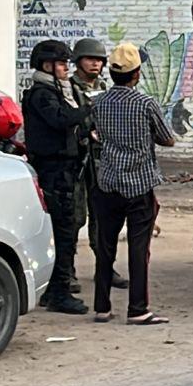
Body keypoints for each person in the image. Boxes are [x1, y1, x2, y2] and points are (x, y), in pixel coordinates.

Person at [90, 42, 177, 325]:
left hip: (107, 182)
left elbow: (97, 133)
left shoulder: (98, 102)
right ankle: (138, 309)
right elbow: (168, 139)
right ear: (136, 74)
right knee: (139, 248)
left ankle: (102, 307)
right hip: (139, 184)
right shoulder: (145, 104)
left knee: (105, 246)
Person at [22, 39, 94, 314]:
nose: (67, 68)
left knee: (65, 229)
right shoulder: (42, 94)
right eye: (62, 63)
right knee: (63, 232)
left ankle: (54, 289)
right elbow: (61, 119)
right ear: (47, 65)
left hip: (66, 169)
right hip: (54, 171)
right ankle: (60, 292)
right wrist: (88, 108)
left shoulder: (60, 90)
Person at [66, 37, 128, 293]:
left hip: (102, 160)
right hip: (78, 160)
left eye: (99, 60)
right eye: (90, 59)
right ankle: (67, 271)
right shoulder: (69, 88)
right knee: (75, 218)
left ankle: (105, 267)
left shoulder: (105, 88)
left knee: (103, 218)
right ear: (78, 61)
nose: (95, 64)